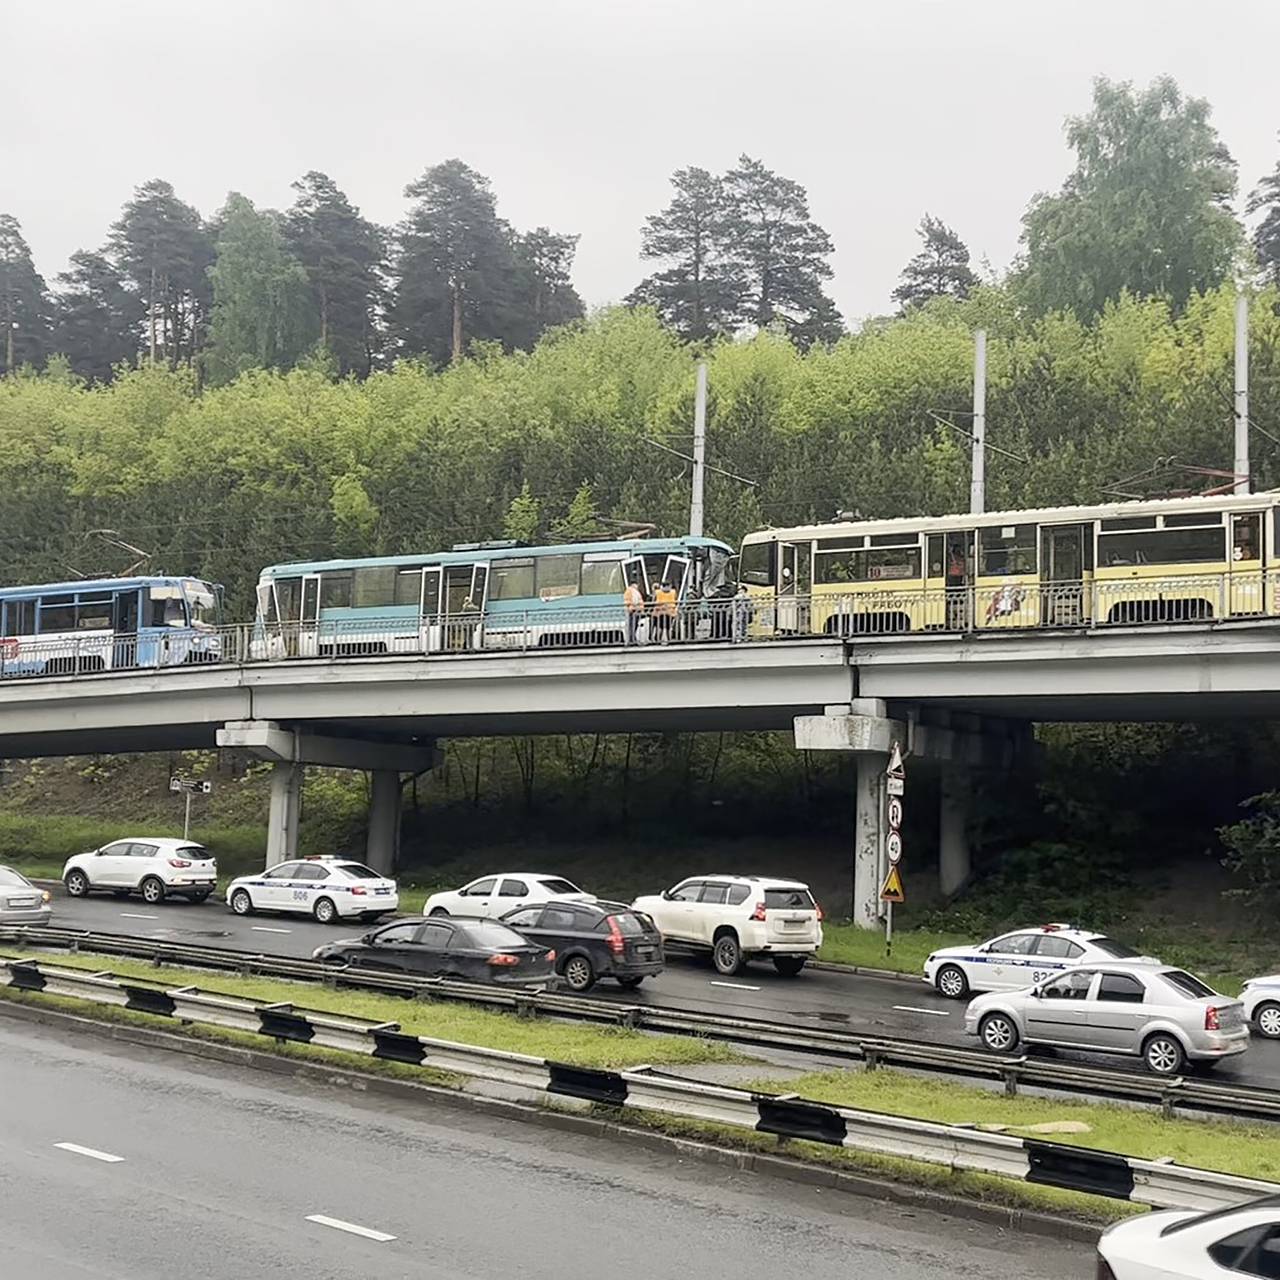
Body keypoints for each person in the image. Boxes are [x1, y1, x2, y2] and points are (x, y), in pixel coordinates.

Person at [653, 579, 677, 644]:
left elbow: (653, 601)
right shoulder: (673, 592)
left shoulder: (657, 592)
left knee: (660, 627)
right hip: (670, 612)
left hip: (659, 612)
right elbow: (675, 599)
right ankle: (669, 640)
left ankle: (658, 641)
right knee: (668, 628)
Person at [623, 578, 644, 645]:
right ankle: (632, 640)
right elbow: (633, 601)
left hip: (635, 610)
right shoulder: (631, 591)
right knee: (632, 626)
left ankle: (632, 639)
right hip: (633, 610)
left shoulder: (632, 591)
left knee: (633, 626)